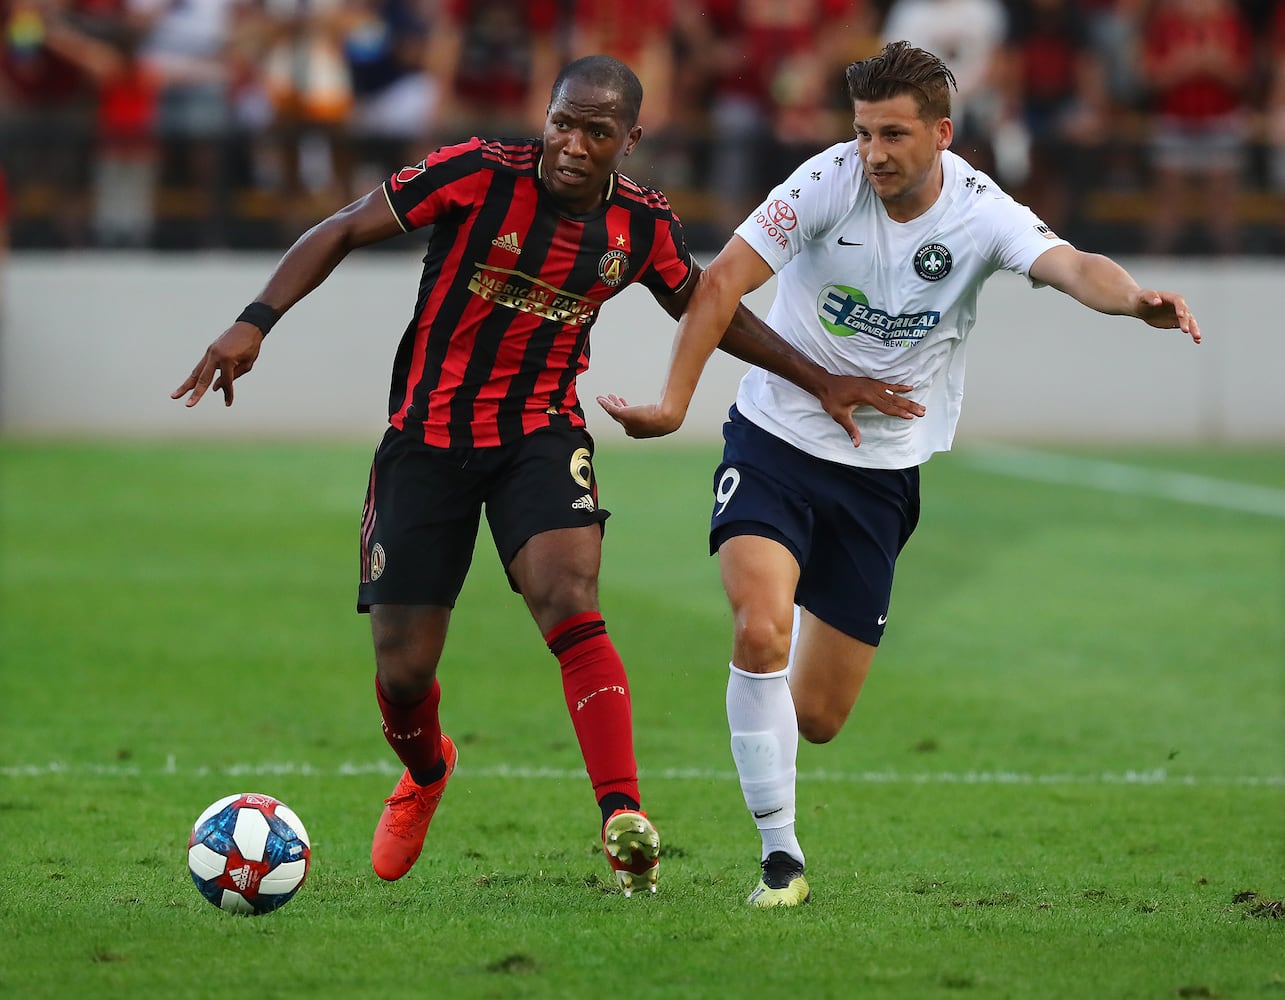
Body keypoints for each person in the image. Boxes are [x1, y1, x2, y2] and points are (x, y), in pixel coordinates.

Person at [172, 55, 897, 897]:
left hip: (540, 434)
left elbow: (705, 305)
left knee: (569, 597)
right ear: (544, 117)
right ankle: (427, 770)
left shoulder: (640, 225)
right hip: (426, 437)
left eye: (596, 131)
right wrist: (252, 322)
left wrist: (821, 377)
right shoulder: (475, 174)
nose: (573, 145)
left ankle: (621, 815)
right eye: (563, 122)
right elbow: (339, 227)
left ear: (629, 139)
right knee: (403, 670)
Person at [597, 41, 1201, 907]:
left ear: (941, 134)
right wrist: (673, 401)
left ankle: (770, 685)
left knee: (818, 718)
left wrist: (1135, 299)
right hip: (775, 437)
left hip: (880, 473)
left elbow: (1071, 265)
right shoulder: (822, 184)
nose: (871, 153)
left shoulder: (980, 211)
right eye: (861, 132)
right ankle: (780, 858)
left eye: (891, 135)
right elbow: (721, 280)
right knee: (759, 627)